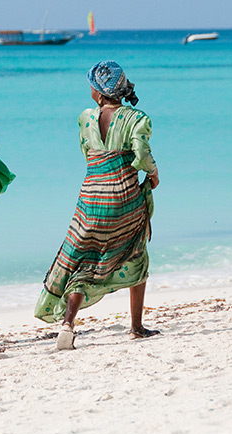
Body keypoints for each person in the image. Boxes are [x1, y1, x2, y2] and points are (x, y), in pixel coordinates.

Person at [35, 61, 160, 349]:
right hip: (123, 197)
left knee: (84, 259)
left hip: (90, 198)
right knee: (135, 252)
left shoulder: (85, 119)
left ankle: (67, 323)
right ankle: (136, 327)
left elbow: (87, 152)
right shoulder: (138, 118)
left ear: (100, 92)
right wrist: (153, 173)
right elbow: (141, 154)